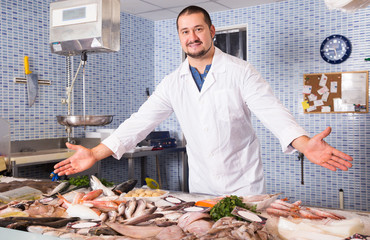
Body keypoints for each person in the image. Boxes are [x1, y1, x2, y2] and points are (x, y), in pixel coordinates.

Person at [54, 6, 353, 196]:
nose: (192, 36)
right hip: (201, 187)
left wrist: (303, 144)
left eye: (198, 29)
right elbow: (139, 123)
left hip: (244, 184)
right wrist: (95, 154)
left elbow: (271, 111)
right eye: (185, 31)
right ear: (180, 38)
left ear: (211, 31)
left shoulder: (240, 71)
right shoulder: (173, 82)